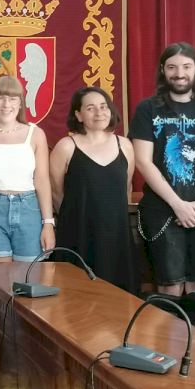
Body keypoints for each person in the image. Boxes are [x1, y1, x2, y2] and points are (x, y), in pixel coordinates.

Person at [130, 43, 195, 296]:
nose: (179, 74)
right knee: (169, 285)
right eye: (172, 67)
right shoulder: (148, 109)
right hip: (162, 209)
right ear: (163, 70)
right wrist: (177, 205)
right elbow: (143, 161)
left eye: (186, 67)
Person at [50, 87, 137, 292]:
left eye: (103, 107)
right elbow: (55, 192)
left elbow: (127, 186)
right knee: (77, 296)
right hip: (78, 234)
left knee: (119, 298)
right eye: (90, 108)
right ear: (78, 115)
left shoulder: (125, 145)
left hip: (117, 236)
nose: (99, 113)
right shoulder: (66, 146)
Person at [0, 75, 54, 264]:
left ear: (20, 103)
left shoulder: (36, 134)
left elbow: (42, 181)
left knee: (29, 277)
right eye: (1, 97)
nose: (6, 104)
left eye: (13, 98)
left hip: (29, 210)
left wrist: (48, 223)